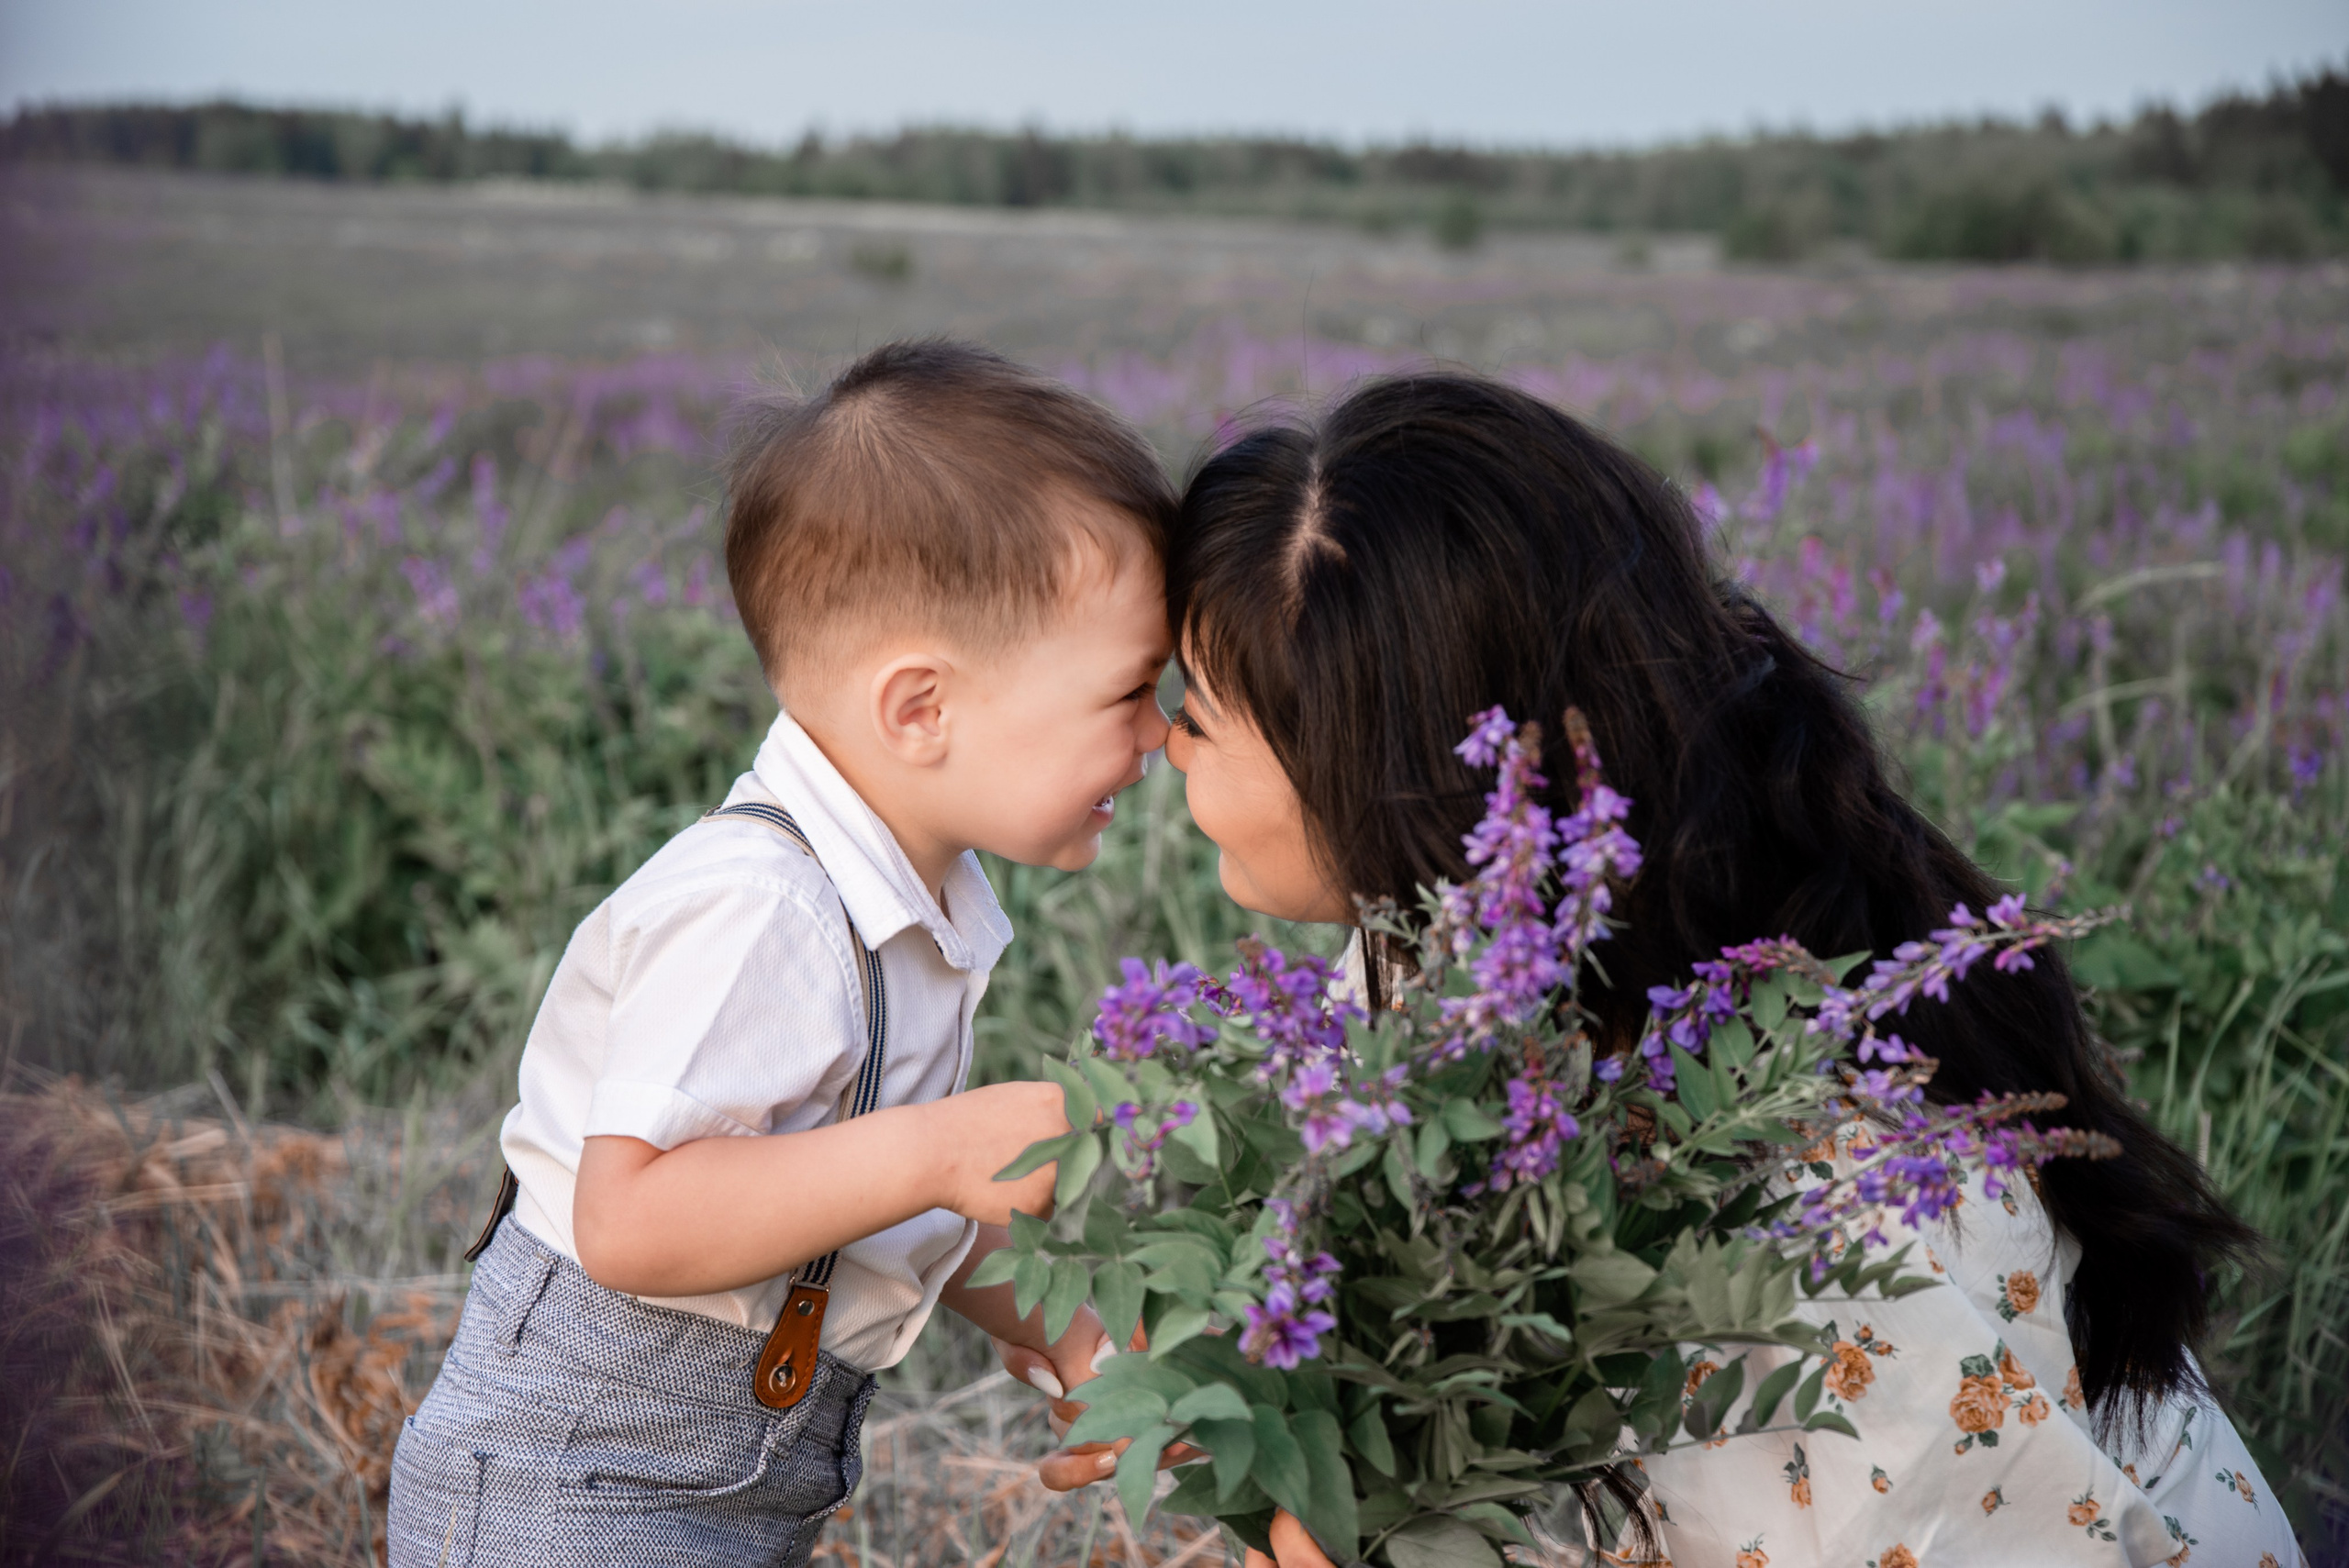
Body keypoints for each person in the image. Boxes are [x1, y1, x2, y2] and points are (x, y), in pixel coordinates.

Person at [1024, 371, 2304, 1565]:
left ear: (1380, 774)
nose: (1164, 743)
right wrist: (1231, 1393)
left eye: (1197, 713)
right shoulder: (1480, 959)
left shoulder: (1795, 1218)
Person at [386, 339, 1167, 1568]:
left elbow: (883, 1202)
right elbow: (632, 1219)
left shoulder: (907, 904)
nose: (1160, 734)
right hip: (571, 1493)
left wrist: (1081, 1341)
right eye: (1128, 693)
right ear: (921, 709)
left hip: (706, 1500)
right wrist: (942, 1146)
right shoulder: (764, 905)